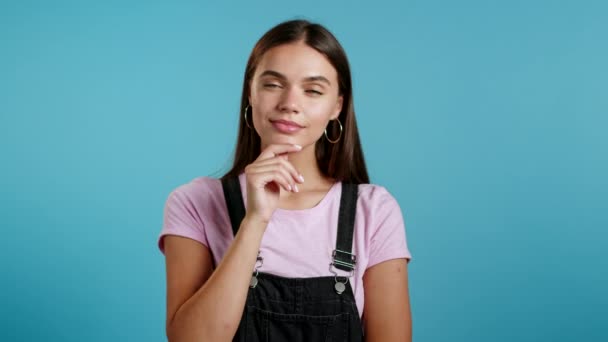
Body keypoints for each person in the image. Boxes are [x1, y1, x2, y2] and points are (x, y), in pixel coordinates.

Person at [158, 19, 412, 341]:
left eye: (313, 90)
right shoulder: (194, 202)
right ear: (250, 91)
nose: (290, 104)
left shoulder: (374, 211)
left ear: (338, 106)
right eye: (273, 84)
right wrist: (255, 221)